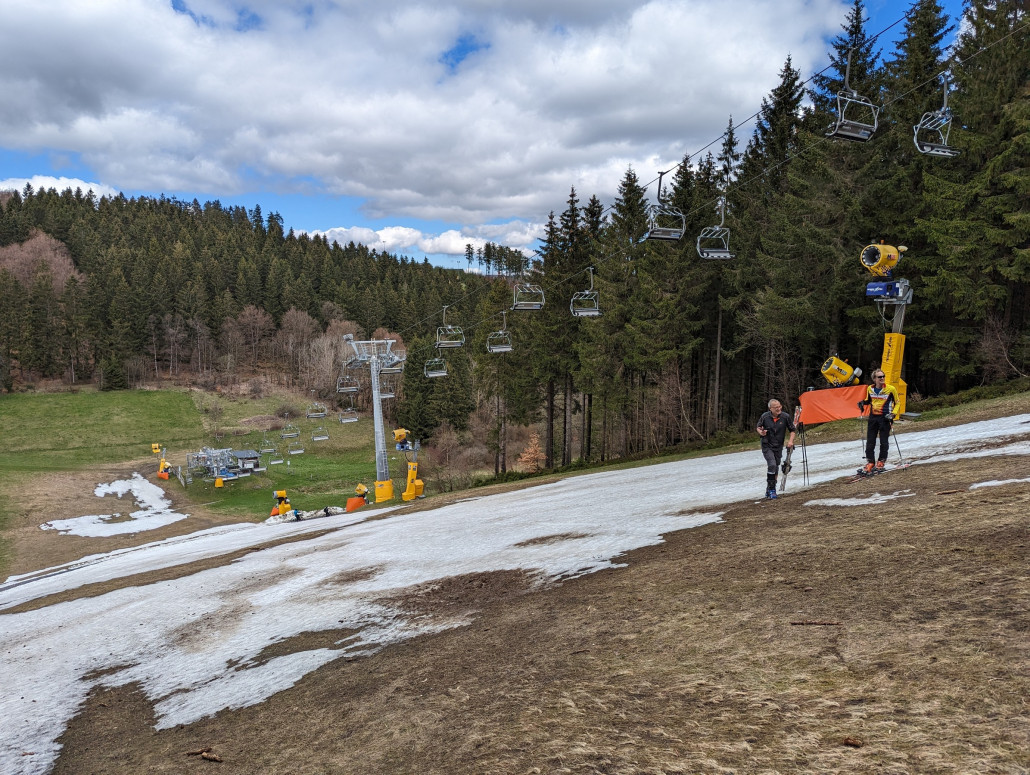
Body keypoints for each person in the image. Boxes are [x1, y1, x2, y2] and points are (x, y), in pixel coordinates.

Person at [857, 369, 899, 474]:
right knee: (870, 441)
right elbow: (868, 400)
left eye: (883, 376)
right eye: (879, 377)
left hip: (885, 418)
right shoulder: (869, 389)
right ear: (874, 379)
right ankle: (870, 462)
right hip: (873, 418)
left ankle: (881, 462)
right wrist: (862, 403)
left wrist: (893, 413)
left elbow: (897, 403)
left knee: (884, 442)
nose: (882, 378)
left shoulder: (891, 389)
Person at [756, 399, 796, 499]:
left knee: (776, 467)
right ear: (770, 409)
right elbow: (758, 427)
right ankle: (772, 490)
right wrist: (761, 432)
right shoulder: (765, 416)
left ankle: (769, 489)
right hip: (767, 445)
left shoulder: (785, 417)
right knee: (772, 464)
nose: (778, 409)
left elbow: (792, 430)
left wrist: (790, 441)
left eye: (779, 406)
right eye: (776, 407)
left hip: (778, 446)